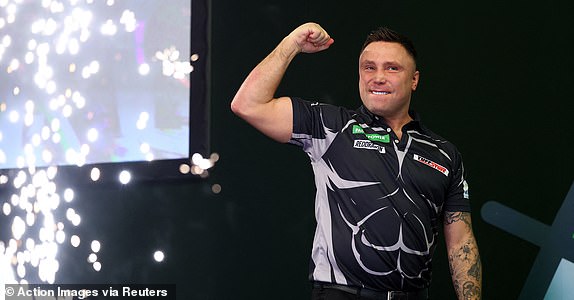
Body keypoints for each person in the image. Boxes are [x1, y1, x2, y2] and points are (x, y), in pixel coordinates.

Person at [231, 22, 482, 300]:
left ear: (415, 79)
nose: (378, 77)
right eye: (369, 67)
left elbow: (461, 242)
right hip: (342, 294)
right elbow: (248, 104)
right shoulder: (330, 126)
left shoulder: (444, 152)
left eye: (392, 68)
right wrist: (292, 44)